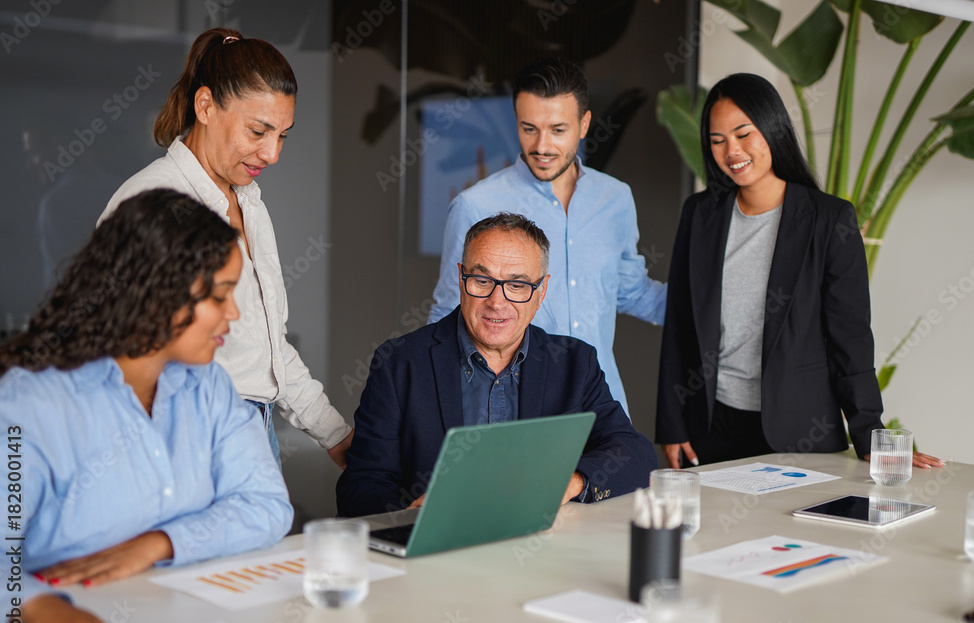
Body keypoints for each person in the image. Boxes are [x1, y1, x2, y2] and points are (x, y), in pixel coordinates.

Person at [0, 189, 293, 623]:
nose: (233, 313)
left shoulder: (209, 386)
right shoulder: (30, 405)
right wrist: (35, 605)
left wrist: (160, 544)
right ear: (158, 292)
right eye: (219, 296)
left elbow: (267, 505)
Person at [655, 73, 944, 470]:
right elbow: (679, 324)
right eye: (717, 140)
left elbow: (850, 337)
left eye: (744, 134)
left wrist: (870, 435)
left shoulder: (829, 219)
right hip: (710, 427)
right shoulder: (700, 214)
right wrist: (671, 423)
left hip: (799, 432)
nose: (732, 151)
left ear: (773, 128)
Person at [98, 27, 353, 467]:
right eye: (258, 131)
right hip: (190, 436)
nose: (272, 154)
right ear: (205, 107)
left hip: (256, 430)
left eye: (282, 136)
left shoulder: (250, 204)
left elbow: (269, 348)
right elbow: (111, 347)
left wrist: (336, 436)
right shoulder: (151, 201)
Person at [338, 213, 657, 517]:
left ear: (542, 291)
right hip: (438, 548)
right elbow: (362, 484)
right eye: (481, 280)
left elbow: (635, 453)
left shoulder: (574, 363)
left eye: (517, 285)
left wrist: (568, 483)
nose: (497, 301)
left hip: (547, 544)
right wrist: (408, 518)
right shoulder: (399, 363)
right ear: (461, 278)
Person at [428, 57, 667, 420]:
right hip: (514, 410)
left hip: (601, 405)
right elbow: (448, 312)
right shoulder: (475, 205)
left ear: (584, 124)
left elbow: (631, 291)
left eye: (557, 129)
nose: (541, 145)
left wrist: (710, 304)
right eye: (529, 128)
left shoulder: (616, 198)